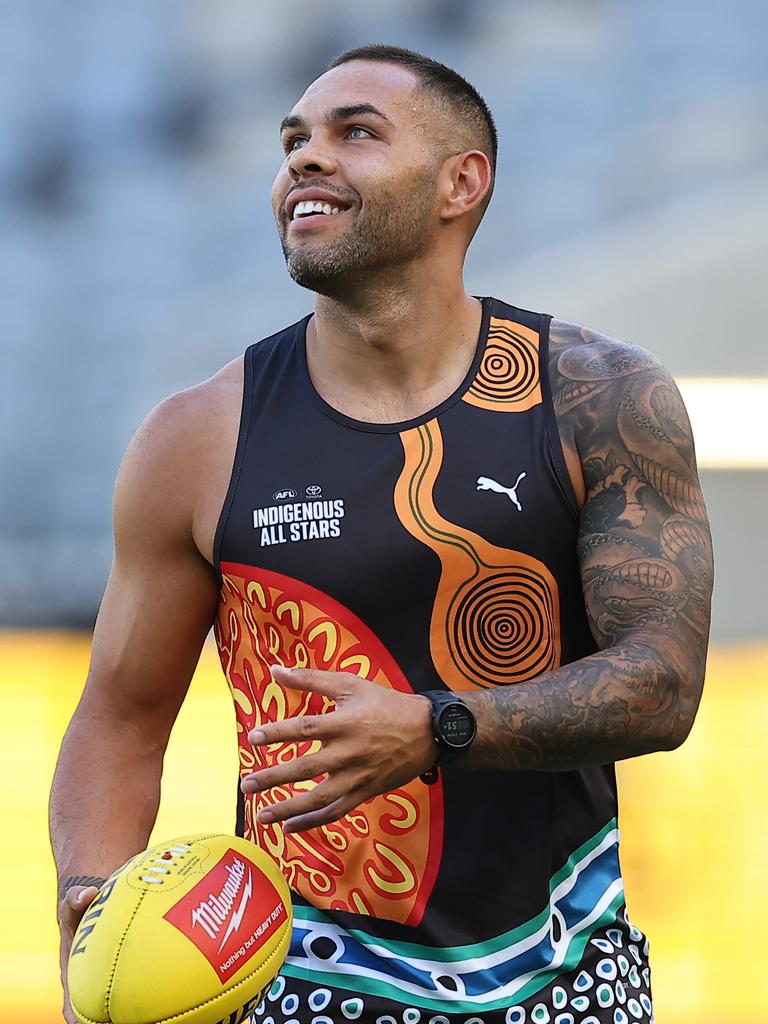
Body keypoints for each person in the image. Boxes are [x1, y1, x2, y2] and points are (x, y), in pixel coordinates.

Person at [51, 44, 713, 1024]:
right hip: (302, 985)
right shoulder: (197, 437)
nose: (305, 160)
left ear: (462, 182)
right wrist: (95, 901)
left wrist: (434, 729)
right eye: (293, 141)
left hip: (564, 979)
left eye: (355, 132)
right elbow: (121, 715)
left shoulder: (596, 396)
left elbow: (662, 683)